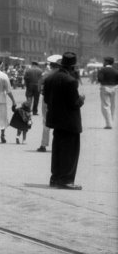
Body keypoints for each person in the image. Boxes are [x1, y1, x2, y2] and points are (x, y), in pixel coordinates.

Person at [44, 51, 85, 190]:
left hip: (55, 120)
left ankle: (55, 178)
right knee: (70, 152)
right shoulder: (71, 81)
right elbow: (74, 103)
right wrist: (81, 99)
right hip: (70, 122)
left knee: (58, 150)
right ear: (73, 67)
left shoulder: (50, 78)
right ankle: (66, 180)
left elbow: (45, 99)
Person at [37, 55, 61, 152]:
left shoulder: (45, 75)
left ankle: (43, 145)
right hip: (59, 101)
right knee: (59, 123)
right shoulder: (62, 75)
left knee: (46, 122)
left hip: (46, 100)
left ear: (50, 65)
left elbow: (39, 89)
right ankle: (58, 146)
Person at [96, 56, 118, 129]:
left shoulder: (102, 70)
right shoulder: (115, 70)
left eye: (104, 61)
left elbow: (100, 79)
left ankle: (109, 124)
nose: (103, 62)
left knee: (105, 106)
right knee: (113, 106)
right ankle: (111, 121)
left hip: (105, 87)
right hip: (114, 88)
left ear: (107, 62)